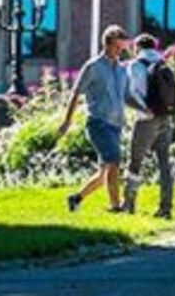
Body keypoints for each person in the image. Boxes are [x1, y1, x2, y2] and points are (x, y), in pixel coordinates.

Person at [58, 25, 130, 213]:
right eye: (117, 47)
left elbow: (126, 96)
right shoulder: (93, 66)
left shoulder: (122, 70)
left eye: (122, 48)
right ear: (106, 44)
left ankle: (75, 198)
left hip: (116, 125)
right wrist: (67, 121)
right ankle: (115, 207)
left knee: (104, 171)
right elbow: (75, 94)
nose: (120, 51)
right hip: (98, 123)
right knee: (114, 161)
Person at [122, 33, 175, 218]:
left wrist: (143, 109)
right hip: (166, 117)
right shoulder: (163, 64)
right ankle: (166, 207)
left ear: (136, 47)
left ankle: (129, 205)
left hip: (146, 119)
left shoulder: (135, 65)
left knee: (135, 163)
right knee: (164, 162)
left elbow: (131, 94)